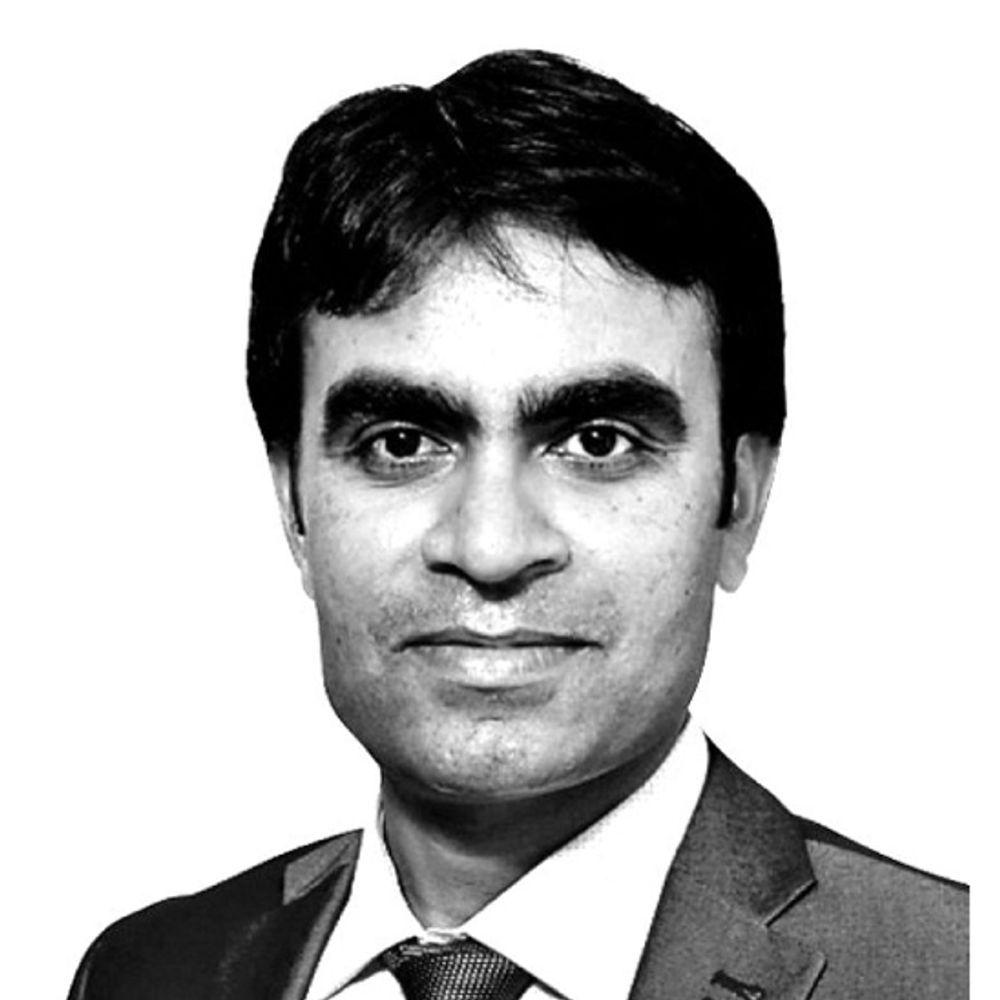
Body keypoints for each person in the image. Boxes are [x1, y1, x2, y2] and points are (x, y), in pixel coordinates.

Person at [67, 49, 968, 1000]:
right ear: (293, 504)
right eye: (403, 443)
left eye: (596, 441)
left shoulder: (949, 970)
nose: (491, 546)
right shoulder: (148, 971)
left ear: (739, 500)